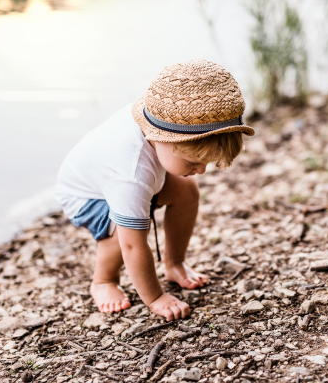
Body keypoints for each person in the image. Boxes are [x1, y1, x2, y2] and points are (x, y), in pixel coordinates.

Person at [55, 59, 255, 321]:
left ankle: (174, 264)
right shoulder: (131, 175)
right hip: (86, 194)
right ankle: (103, 280)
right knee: (123, 231)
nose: (202, 170)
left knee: (187, 190)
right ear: (158, 138)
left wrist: (185, 167)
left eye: (206, 163)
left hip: (121, 177)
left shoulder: (165, 116)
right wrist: (156, 298)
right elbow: (132, 246)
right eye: (194, 162)